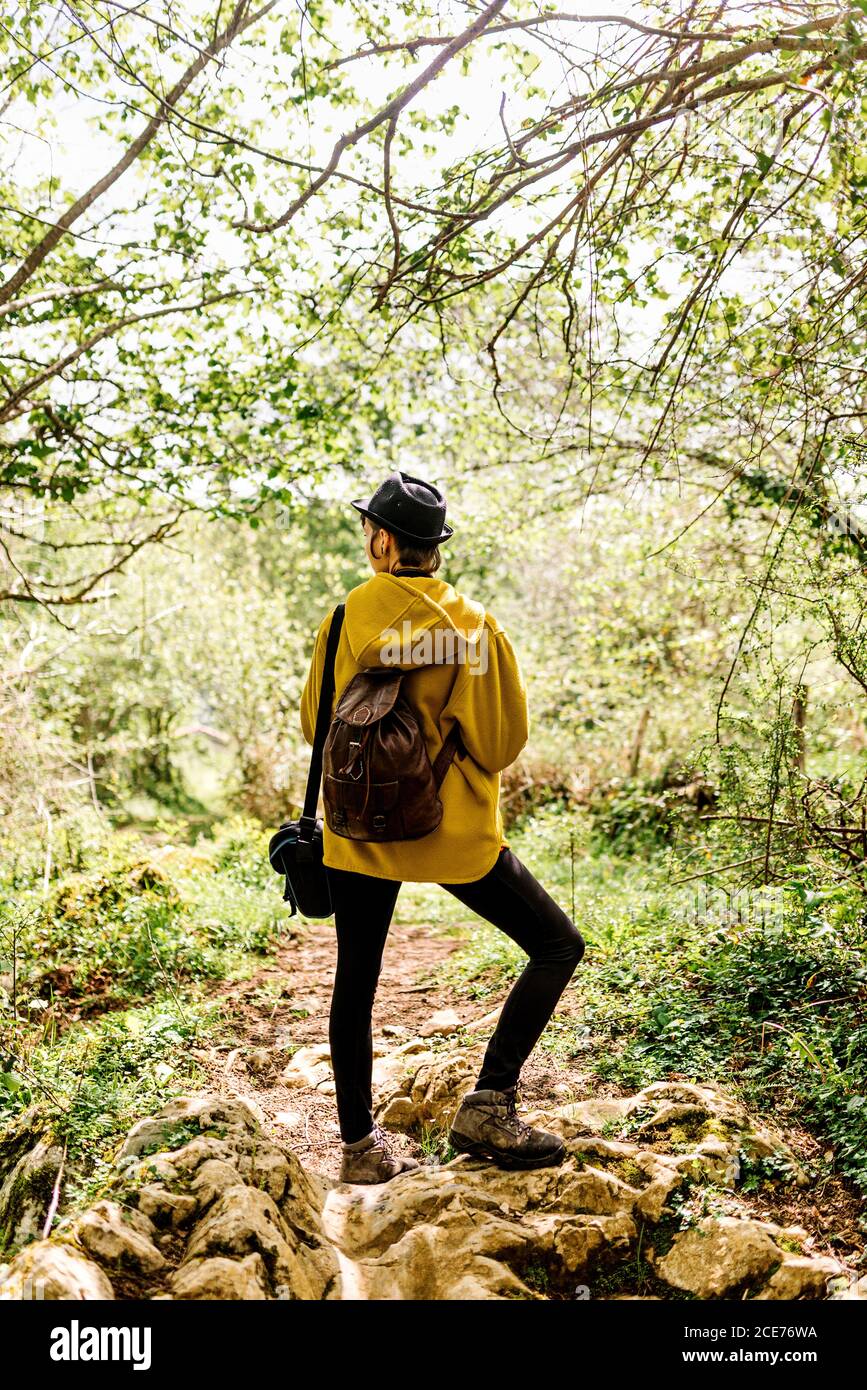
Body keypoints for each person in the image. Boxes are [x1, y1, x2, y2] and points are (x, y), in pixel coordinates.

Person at [299, 470, 586, 1185]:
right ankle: (488, 1103)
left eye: (369, 527)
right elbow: (497, 744)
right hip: (453, 834)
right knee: (556, 945)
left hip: (359, 832)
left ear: (385, 540)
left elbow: (316, 728)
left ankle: (359, 1148)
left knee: (355, 982)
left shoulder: (344, 619)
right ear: (434, 548)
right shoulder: (474, 626)